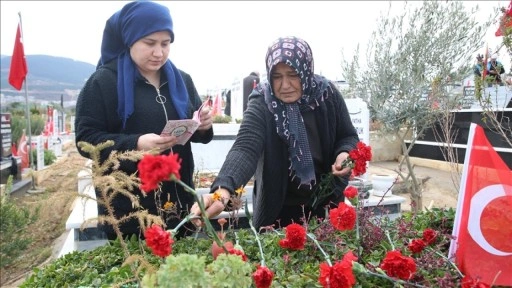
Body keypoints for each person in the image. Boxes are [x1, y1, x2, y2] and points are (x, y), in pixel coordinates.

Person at [75, 1, 213, 240]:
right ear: (130, 39)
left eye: (165, 44)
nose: (159, 52)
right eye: (149, 43)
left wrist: (203, 126)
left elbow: (197, 133)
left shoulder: (182, 80)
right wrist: (135, 144)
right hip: (129, 212)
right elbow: (86, 139)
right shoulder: (103, 82)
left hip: (179, 206)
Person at [190, 36, 359, 229]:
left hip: (326, 204)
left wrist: (344, 154)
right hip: (277, 210)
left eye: (293, 74)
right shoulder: (263, 101)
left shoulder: (327, 95)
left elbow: (348, 136)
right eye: (277, 77)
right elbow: (245, 147)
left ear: (306, 71)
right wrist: (222, 189)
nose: (284, 85)